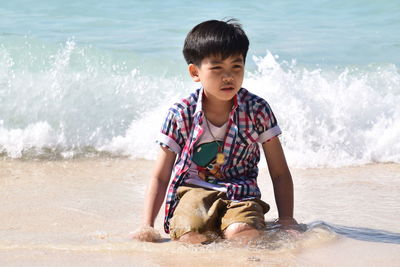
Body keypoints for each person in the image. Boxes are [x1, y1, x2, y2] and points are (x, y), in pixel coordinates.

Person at [131, 19, 298, 244]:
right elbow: (160, 176)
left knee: (242, 233)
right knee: (190, 236)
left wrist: (287, 219)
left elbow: (279, 172)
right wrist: (147, 226)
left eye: (236, 67)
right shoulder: (181, 114)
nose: (228, 76)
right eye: (217, 68)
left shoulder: (257, 109)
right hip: (193, 190)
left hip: (242, 192)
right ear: (195, 72)